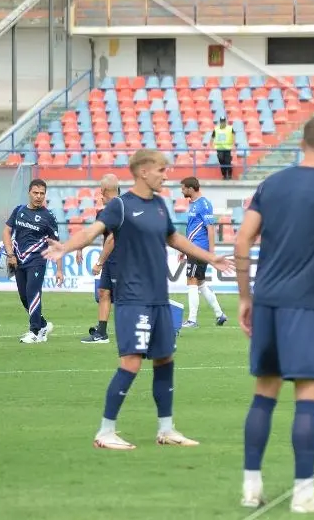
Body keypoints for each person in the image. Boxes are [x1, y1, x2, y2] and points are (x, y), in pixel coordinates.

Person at [44, 149, 231, 450]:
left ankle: (166, 429)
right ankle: (105, 431)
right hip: (134, 299)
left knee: (165, 360)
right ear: (143, 171)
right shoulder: (120, 205)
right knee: (130, 363)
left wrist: (212, 256)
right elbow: (95, 230)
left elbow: (174, 237)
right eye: (161, 170)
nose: (165, 175)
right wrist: (65, 248)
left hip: (159, 298)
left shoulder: (159, 204)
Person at [235, 115, 314, 513]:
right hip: (303, 306)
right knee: (308, 396)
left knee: (264, 394)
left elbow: (241, 242)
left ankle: (250, 487)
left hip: (267, 302)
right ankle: (304, 494)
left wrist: (244, 297)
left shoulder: (271, 184)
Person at [2, 178, 62, 344]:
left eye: (42, 193)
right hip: (19, 260)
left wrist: (59, 269)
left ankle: (34, 331)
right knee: (24, 297)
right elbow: (6, 232)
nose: (38, 196)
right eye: (35, 193)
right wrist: (10, 254)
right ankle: (42, 325)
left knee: (33, 293)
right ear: (29, 193)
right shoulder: (19, 211)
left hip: (37, 260)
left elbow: (56, 244)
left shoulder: (49, 217)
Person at [179, 177, 227, 328]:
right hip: (192, 248)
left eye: (183, 188)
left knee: (191, 280)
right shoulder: (193, 204)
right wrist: (183, 248)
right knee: (200, 283)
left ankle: (192, 320)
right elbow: (192, 228)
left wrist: (212, 254)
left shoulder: (203, 204)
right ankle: (220, 314)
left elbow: (210, 228)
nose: (182, 190)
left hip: (199, 249)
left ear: (191, 188)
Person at [81, 174, 120, 345]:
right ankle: (101, 332)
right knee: (103, 292)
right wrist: (80, 247)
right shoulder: (108, 211)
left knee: (127, 298)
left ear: (103, 190)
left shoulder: (116, 211)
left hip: (121, 260)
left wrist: (99, 262)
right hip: (112, 261)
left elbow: (111, 239)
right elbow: (94, 233)